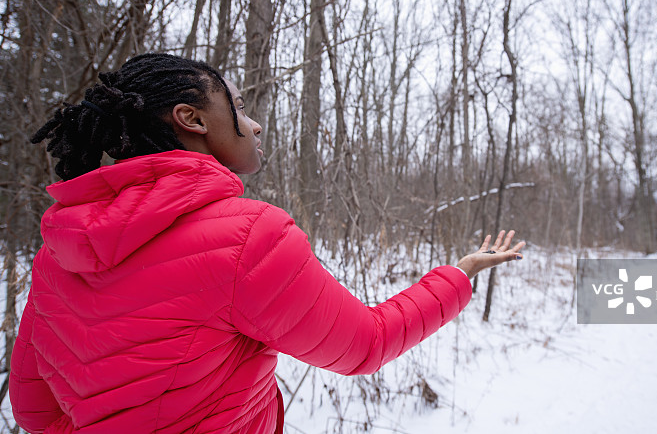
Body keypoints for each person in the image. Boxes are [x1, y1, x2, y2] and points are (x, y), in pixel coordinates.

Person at [10, 53, 525, 433]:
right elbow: (364, 345)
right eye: (236, 105)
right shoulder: (246, 236)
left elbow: (33, 408)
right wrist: (459, 275)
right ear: (191, 119)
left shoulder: (59, 248)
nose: (254, 123)